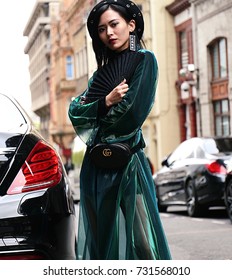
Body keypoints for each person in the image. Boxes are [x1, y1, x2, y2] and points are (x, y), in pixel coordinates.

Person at [69, 0, 171, 260]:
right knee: (102, 243)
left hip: (127, 164)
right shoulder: (99, 77)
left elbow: (131, 114)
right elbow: (74, 112)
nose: (109, 33)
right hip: (95, 168)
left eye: (114, 24)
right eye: (102, 29)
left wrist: (98, 114)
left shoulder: (145, 61)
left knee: (142, 242)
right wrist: (104, 102)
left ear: (131, 24)